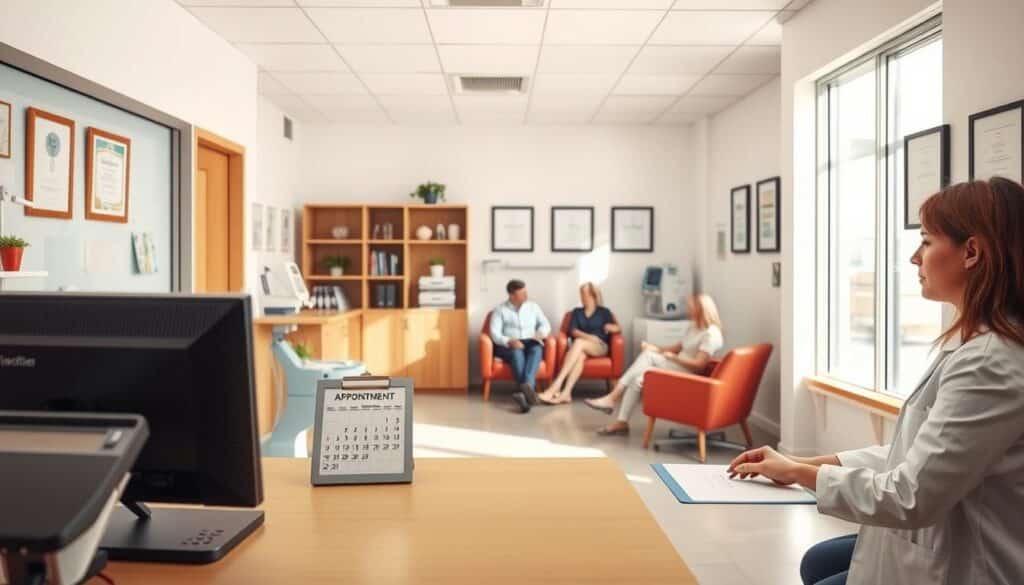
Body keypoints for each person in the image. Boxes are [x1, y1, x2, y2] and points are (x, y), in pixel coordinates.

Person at [727, 178, 1024, 585]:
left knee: (822, 568)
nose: (915, 258)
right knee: (819, 562)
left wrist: (800, 475)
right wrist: (801, 463)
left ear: (971, 252)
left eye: (926, 242)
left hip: (970, 563)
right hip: (936, 539)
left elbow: (911, 496)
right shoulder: (973, 343)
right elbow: (918, 450)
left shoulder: (990, 362)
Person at [585, 294, 723, 435]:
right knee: (637, 379)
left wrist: (673, 358)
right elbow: (675, 348)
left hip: (688, 375)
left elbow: (699, 365)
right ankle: (621, 422)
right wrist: (655, 348)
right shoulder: (695, 326)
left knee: (648, 357)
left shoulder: (711, 334)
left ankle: (613, 397)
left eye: (690, 307)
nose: (687, 310)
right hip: (675, 366)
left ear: (701, 309)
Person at [538, 282, 620, 405]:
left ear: (593, 295)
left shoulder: (604, 312)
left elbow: (618, 328)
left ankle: (556, 386)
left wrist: (612, 327)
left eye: (584, 294)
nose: (582, 297)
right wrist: (590, 337)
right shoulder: (577, 312)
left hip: (600, 346)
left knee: (579, 343)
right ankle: (566, 393)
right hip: (583, 345)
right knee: (580, 353)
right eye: (581, 294)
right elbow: (573, 331)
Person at [489, 279, 552, 413]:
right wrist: (509, 341)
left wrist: (541, 333)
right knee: (517, 352)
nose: (526, 296)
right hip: (509, 345)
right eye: (522, 293)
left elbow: (545, 324)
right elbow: (494, 333)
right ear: (512, 295)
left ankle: (523, 393)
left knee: (536, 348)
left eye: (526, 292)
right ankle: (529, 391)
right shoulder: (500, 310)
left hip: (530, 341)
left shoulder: (533, 307)